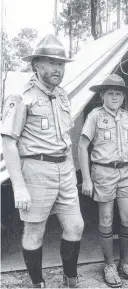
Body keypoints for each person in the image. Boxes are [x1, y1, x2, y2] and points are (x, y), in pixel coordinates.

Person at [0, 34, 84, 288]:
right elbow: (8, 141)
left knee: (76, 226)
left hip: (64, 170)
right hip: (36, 170)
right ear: (36, 64)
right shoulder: (21, 96)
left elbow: (66, 137)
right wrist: (19, 186)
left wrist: (70, 168)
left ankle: (70, 278)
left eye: (61, 64)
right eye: (51, 63)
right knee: (35, 230)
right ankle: (37, 283)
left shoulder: (62, 95)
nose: (58, 69)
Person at [78, 74, 128, 287]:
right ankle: (109, 265)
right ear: (102, 95)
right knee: (106, 218)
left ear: (124, 97)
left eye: (118, 93)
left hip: (124, 172)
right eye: (110, 93)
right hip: (103, 172)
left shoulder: (127, 117)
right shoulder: (95, 116)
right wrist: (87, 179)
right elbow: (82, 146)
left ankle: (125, 264)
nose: (115, 97)